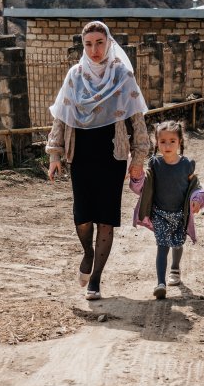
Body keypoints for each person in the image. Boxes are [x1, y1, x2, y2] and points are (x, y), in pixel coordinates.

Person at [47, 21, 150, 301]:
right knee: (82, 216)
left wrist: (139, 157)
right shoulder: (75, 76)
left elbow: (137, 121)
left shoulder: (122, 75)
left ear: (109, 44)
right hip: (81, 155)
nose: (94, 49)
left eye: (99, 43)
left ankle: (96, 280)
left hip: (112, 156)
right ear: (84, 46)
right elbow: (61, 117)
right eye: (88, 44)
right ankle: (88, 252)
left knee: (105, 217)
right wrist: (55, 154)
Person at [130, 120, 204, 299]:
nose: (167, 145)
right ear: (156, 143)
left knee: (178, 242)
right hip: (160, 213)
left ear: (180, 142)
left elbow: (196, 186)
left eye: (172, 141)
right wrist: (136, 178)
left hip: (180, 214)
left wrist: (197, 199)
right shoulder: (154, 164)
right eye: (163, 141)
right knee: (162, 245)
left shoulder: (187, 165)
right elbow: (142, 187)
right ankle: (160, 283)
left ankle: (175, 268)